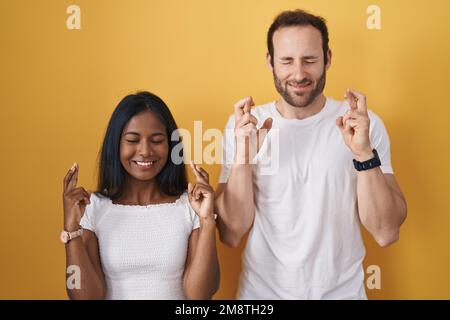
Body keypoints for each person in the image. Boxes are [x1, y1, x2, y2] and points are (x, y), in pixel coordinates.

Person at [215, 9, 407, 299]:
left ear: (327, 58)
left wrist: (364, 154)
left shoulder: (362, 124)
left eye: (310, 60)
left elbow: (386, 231)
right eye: (287, 61)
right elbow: (230, 233)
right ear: (270, 62)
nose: (299, 74)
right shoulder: (245, 126)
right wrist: (243, 159)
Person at [61, 91, 219, 299]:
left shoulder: (190, 206)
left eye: (156, 140)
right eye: (133, 140)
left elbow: (201, 295)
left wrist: (207, 221)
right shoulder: (93, 206)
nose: (145, 151)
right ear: (116, 145)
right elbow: (80, 295)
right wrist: (72, 230)